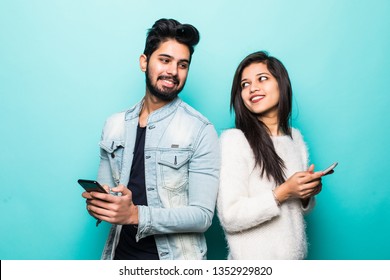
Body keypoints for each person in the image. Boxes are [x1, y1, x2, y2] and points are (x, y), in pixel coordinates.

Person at [82, 18, 220, 260]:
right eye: (165, 60)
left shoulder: (200, 129)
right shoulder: (114, 125)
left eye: (183, 64)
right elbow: (107, 194)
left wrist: (136, 215)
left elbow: (202, 216)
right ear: (144, 62)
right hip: (119, 256)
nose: (173, 72)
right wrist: (99, 205)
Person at [217, 51, 324, 259]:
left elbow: (296, 213)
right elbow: (230, 216)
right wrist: (283, 192)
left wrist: (306, 193)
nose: (252, 88)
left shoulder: (295, 138)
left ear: (281, 83)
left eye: (262, 79)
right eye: (244, 84)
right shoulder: (235, 141)